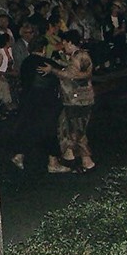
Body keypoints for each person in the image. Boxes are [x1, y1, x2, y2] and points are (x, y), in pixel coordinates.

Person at [38, 30, 95, 173]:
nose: (63, 46)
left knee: (77, 131)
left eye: (65, 43)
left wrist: (53, 70)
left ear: (70, 42)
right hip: (77, 99)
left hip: (78, 100)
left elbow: (71, 74)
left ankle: (85, 161)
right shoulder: (79, 55)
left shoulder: (80, 56)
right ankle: (72, 157)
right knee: (69, 128)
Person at [10, 36, 70, 173]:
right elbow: (62, 72)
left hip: (28, 99)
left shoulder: (26, 62)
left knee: (28, 127)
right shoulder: (46, 63)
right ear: (43, 48)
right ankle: (53, 162)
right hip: (45, 101)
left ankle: (19, 155)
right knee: (49, 130)